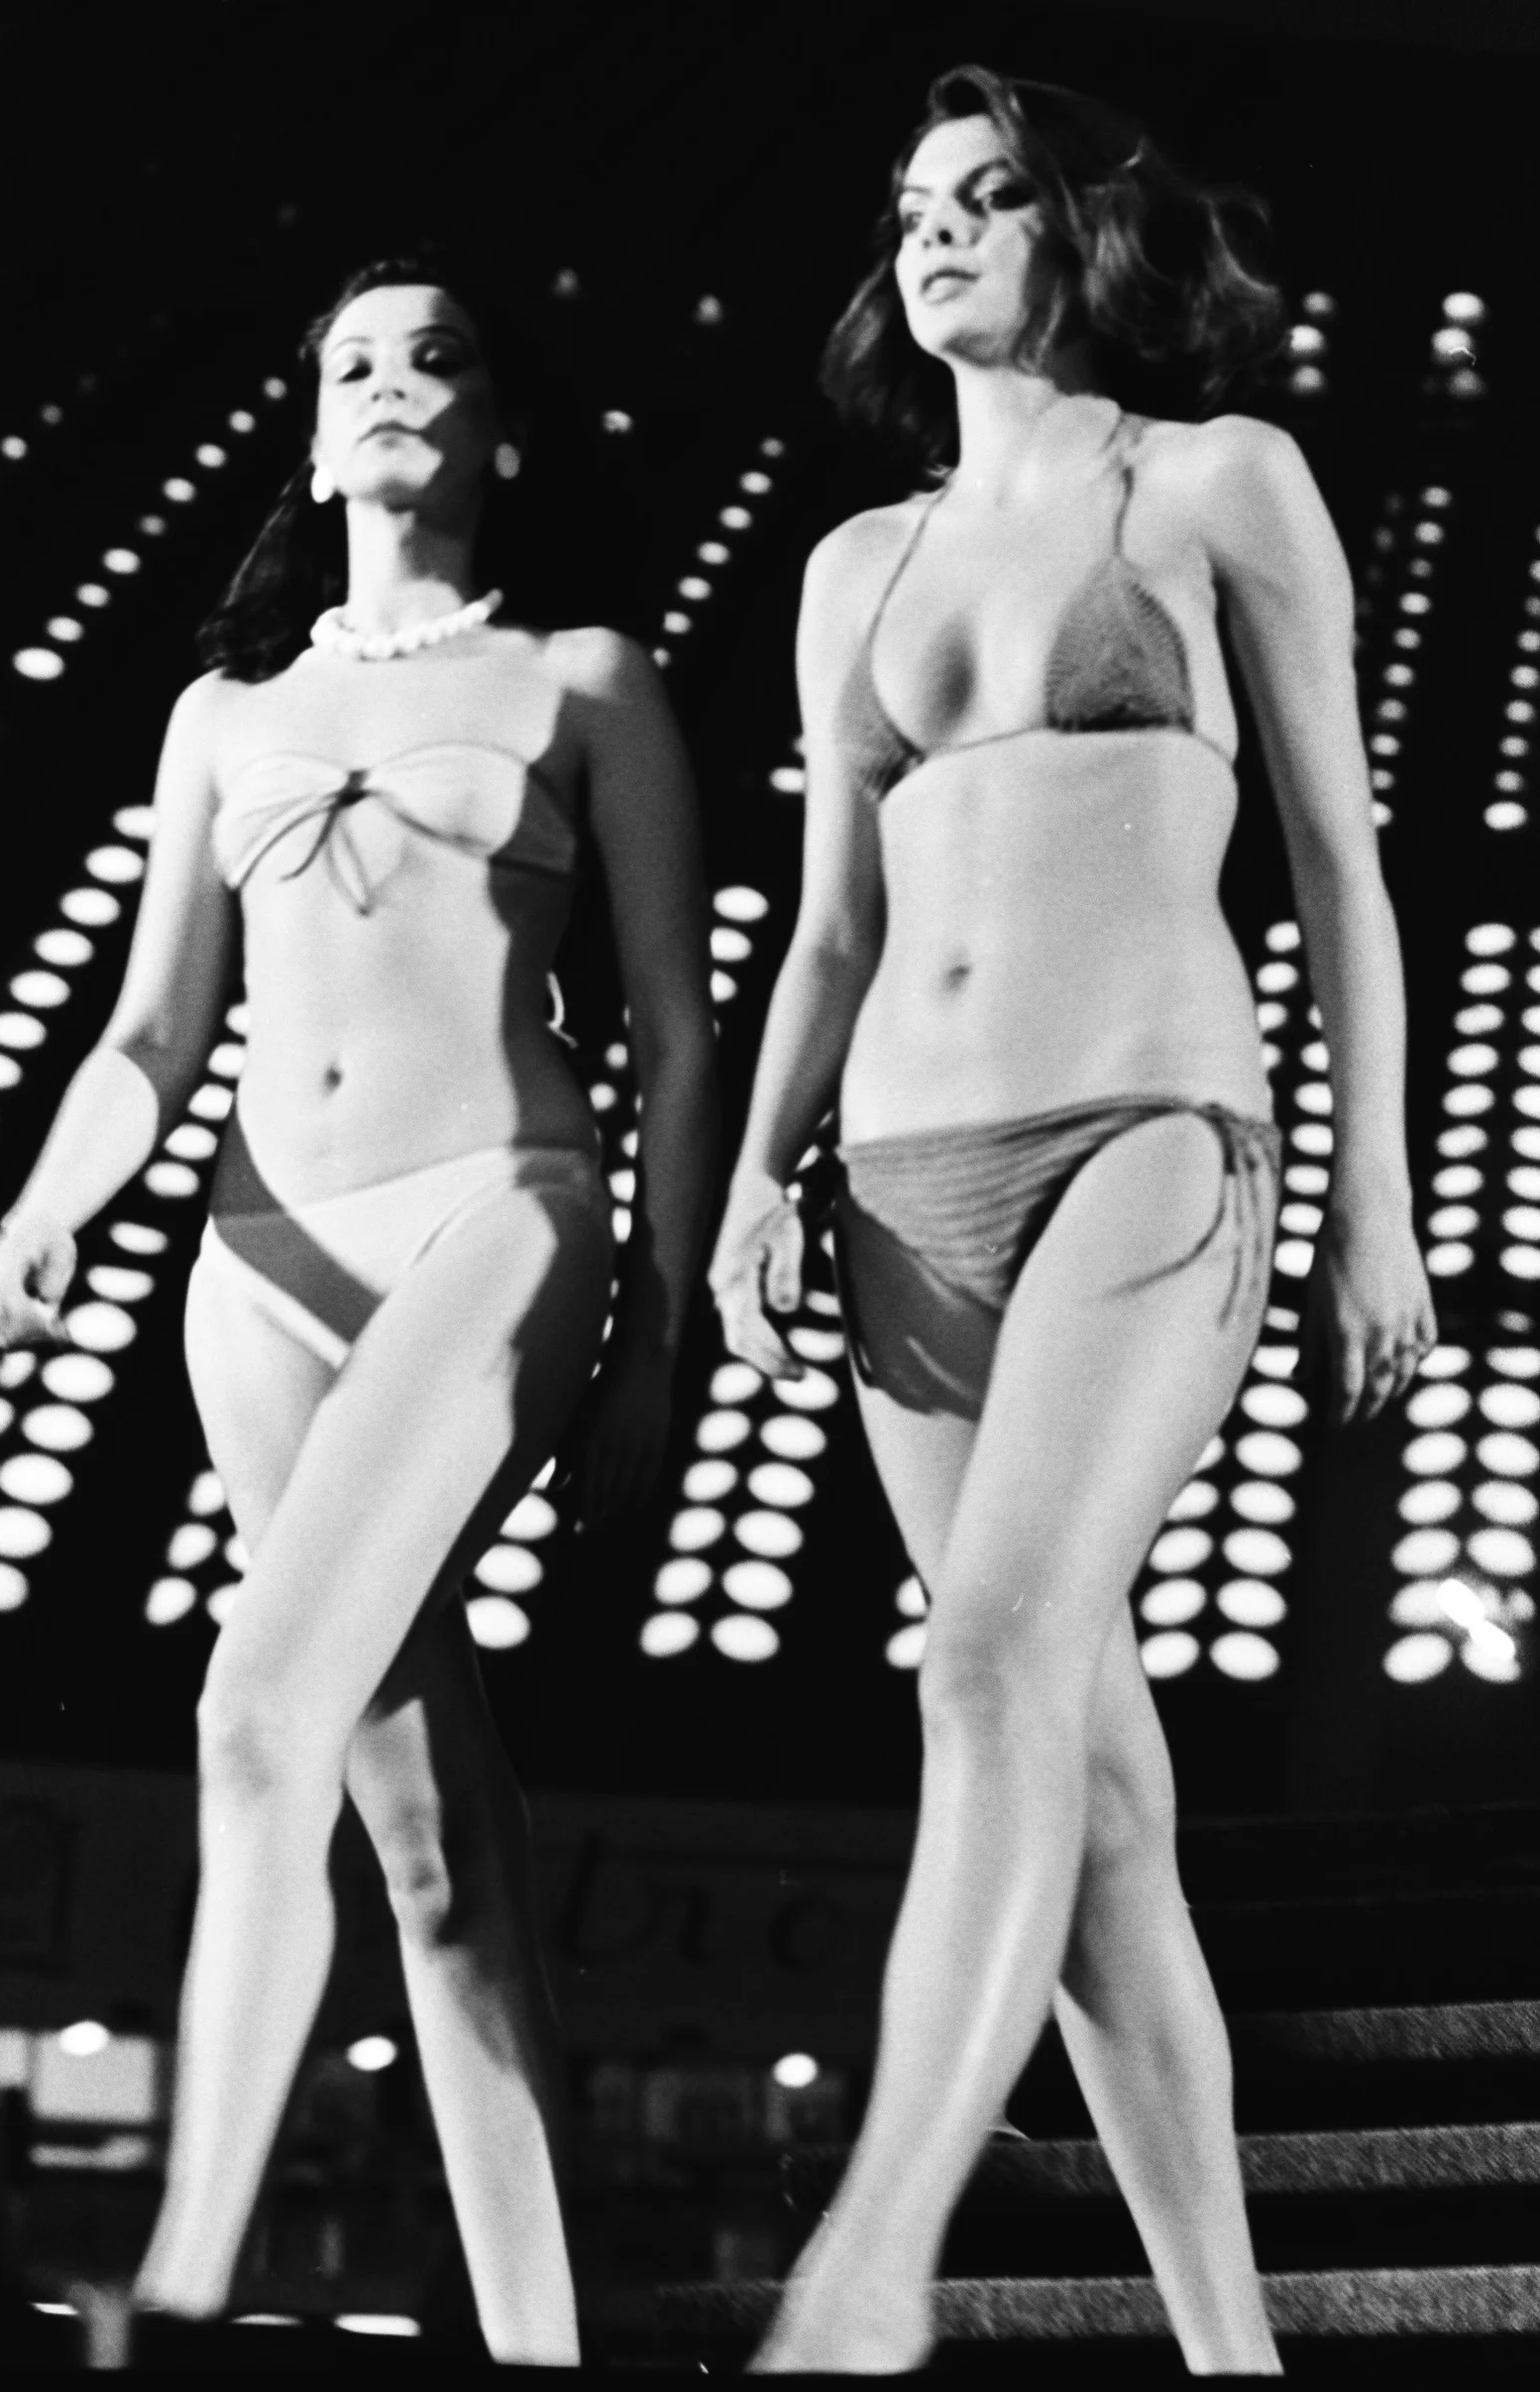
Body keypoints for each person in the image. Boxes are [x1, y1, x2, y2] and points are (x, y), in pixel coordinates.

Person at [711, 67, 1434, 2377]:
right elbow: (825, 930)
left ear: (1081, 233)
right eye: (909, 203)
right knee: (1095, 1797)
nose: (934, 233)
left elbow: (1338, 866)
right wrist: (746, 1180)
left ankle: (871, 2259)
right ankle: (1231, 2354)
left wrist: (1372, 1197)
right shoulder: (856, 564)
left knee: (981, 1665)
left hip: (1146, 1132)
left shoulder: (1211, 483)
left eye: (989, 195)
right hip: (898, 1191)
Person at [0, 253, 717, 2365]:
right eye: (354, 367)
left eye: (437, 360)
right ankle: (542, 2340)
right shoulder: (225, 712)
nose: (391, 386)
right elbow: (150, 1032)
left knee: (253, 1713)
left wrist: (657, 1342)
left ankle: (179, 2297)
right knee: (432, 1848)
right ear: (310, 446)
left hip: (496, 1210)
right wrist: (39, 1209)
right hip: (258, 1262)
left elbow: (678, 1028)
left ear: (503, 434)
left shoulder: (583, 678)